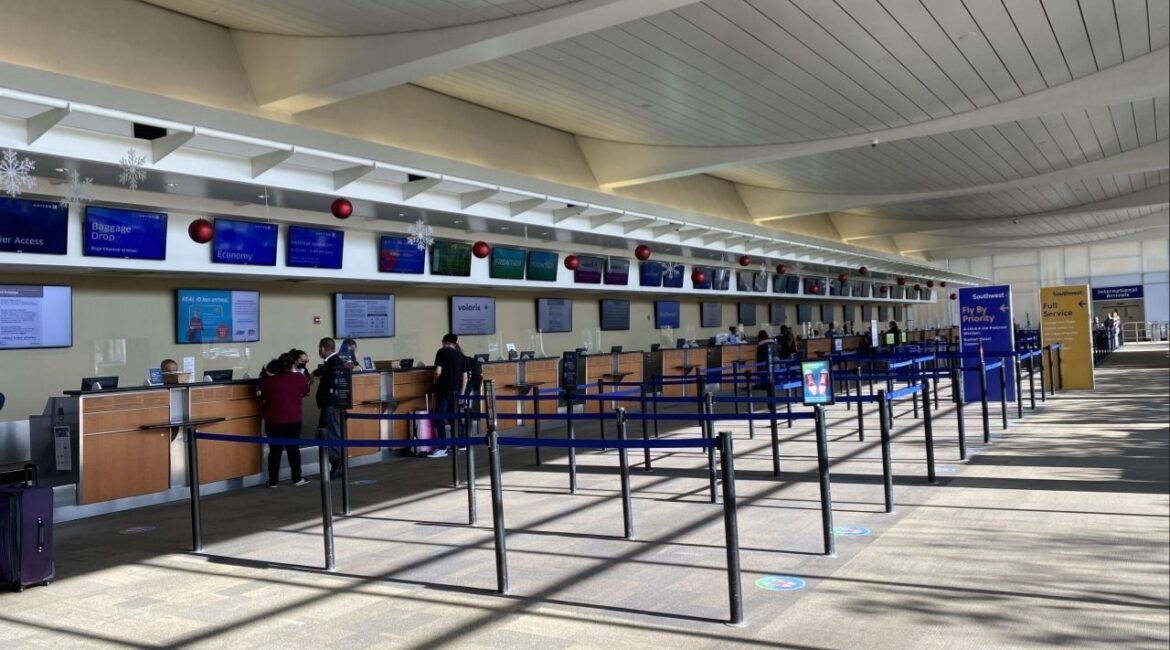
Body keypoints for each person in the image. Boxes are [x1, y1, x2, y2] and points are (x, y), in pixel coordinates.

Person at [260, 353, 310, 488]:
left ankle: (273, 481)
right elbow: (306, 391)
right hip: (294, 418)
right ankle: (297, 478)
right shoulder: (299, 378)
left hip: (274, 420)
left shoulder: (269, 381)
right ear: (293, 364)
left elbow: (261, 394)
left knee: (275, 450)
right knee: (293, 449)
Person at [313, 337, 347, 479]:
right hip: (328, 405)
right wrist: (316, 372)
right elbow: (325, 372)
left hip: (331, 405)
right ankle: (336, 463)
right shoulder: (332, 362)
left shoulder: (334, 362)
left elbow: (334, 381)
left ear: (322, 348)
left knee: (332, 433)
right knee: (323, 432)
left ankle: (337, 462)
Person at [431, 333, 468, 459]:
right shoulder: (460, 355)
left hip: (444, 390)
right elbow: (465, 376)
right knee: (454, 418)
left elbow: (438, 371)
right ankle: (460, 444)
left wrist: (435, 380)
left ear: (445, 342)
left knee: (439, 418)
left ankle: (442, 448)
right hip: (456, 392)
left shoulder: (442, 352)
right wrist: (462, 393)